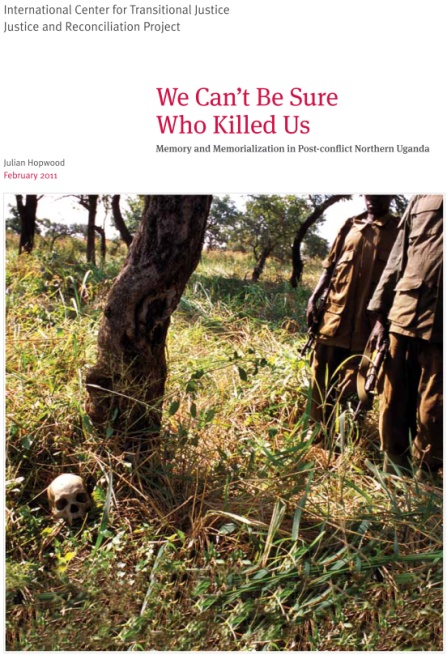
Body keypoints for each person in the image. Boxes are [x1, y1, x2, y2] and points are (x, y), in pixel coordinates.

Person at [306, 195, 399, 430]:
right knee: (320, 379)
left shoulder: (399, 231)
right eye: (369, 193)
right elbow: (330, 267)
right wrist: (313, 297)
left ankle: (344, 441)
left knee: (355, 386)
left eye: (381, 194)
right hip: (333, 319)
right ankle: (316, 434)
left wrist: (385, 322)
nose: (374, 198)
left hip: (368, 328)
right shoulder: (350, 225)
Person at [367, 194, 443, 476]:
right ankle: (395, 474)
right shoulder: (424, 195)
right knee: (393, 399)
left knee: (436, 408)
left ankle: (427, 479)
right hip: (404, 312)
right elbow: (398, 257)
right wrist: (379, 311)